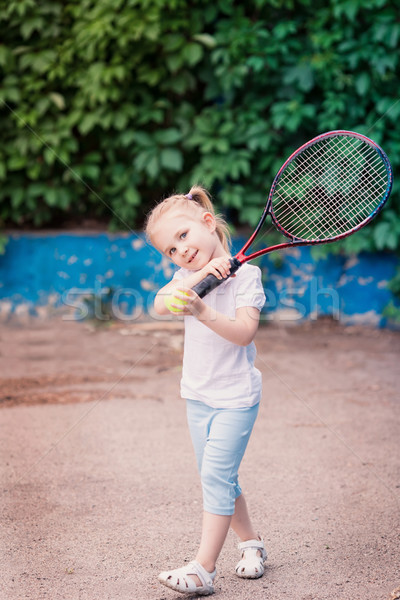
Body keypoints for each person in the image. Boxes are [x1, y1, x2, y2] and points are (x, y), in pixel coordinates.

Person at [145, 185, 267, 595]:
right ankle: (252, 545)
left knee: (216, 476)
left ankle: (203, 569)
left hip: (235, 399)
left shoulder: (247, 274)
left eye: (183, 236)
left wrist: (202, 309)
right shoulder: (185, 277)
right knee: (221, 480)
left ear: (207, 222)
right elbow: (159, 305)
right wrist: (196, 280)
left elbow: (244, 333)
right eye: (170, 250)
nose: (180, 251)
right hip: (197, 396)